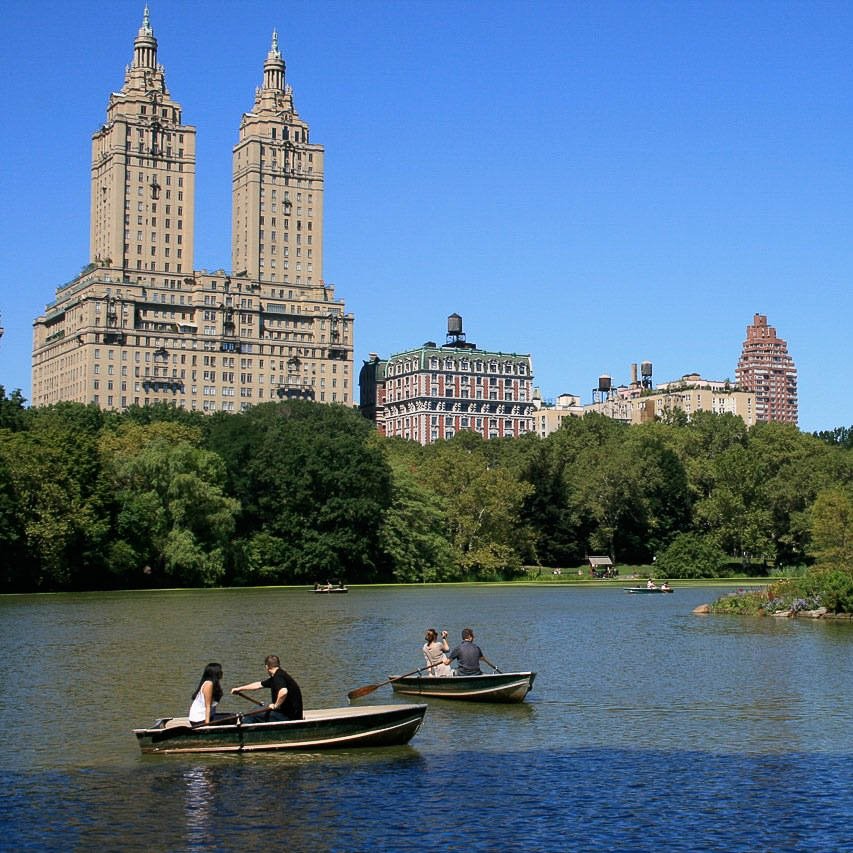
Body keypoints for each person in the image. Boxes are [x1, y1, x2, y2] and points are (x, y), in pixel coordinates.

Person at [231, 654, 304, 721]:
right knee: (256, 709)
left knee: (252, 715)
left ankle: (243, 730)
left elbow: (283, 691)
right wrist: (239, 689)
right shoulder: (279, 675)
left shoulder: (278, 677)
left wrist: (276, 705)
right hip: (289, 714)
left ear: (267, 666)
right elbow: (258, 685)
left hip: (289, 717)